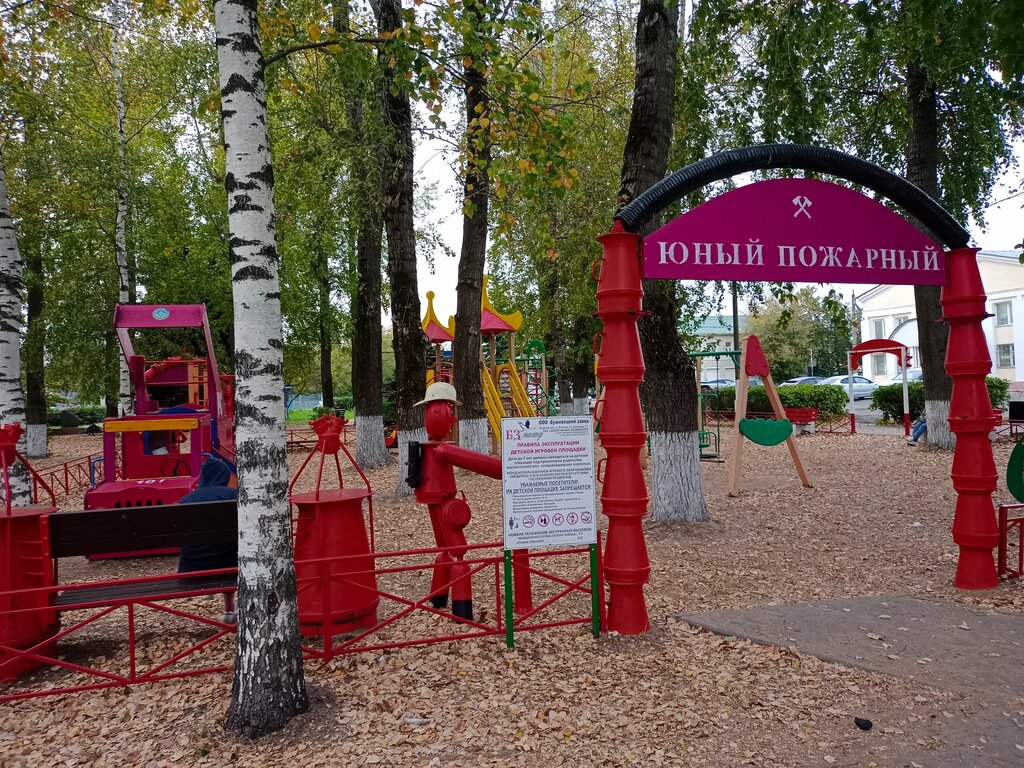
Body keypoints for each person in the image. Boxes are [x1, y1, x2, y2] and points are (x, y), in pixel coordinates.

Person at [177, 457, 238, 623]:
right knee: (230, 547)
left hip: (190, 571)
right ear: (223, 476)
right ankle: (229, 609)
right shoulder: (232, 495)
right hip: (228, 570)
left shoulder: (186, 500)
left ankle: (228, 609)